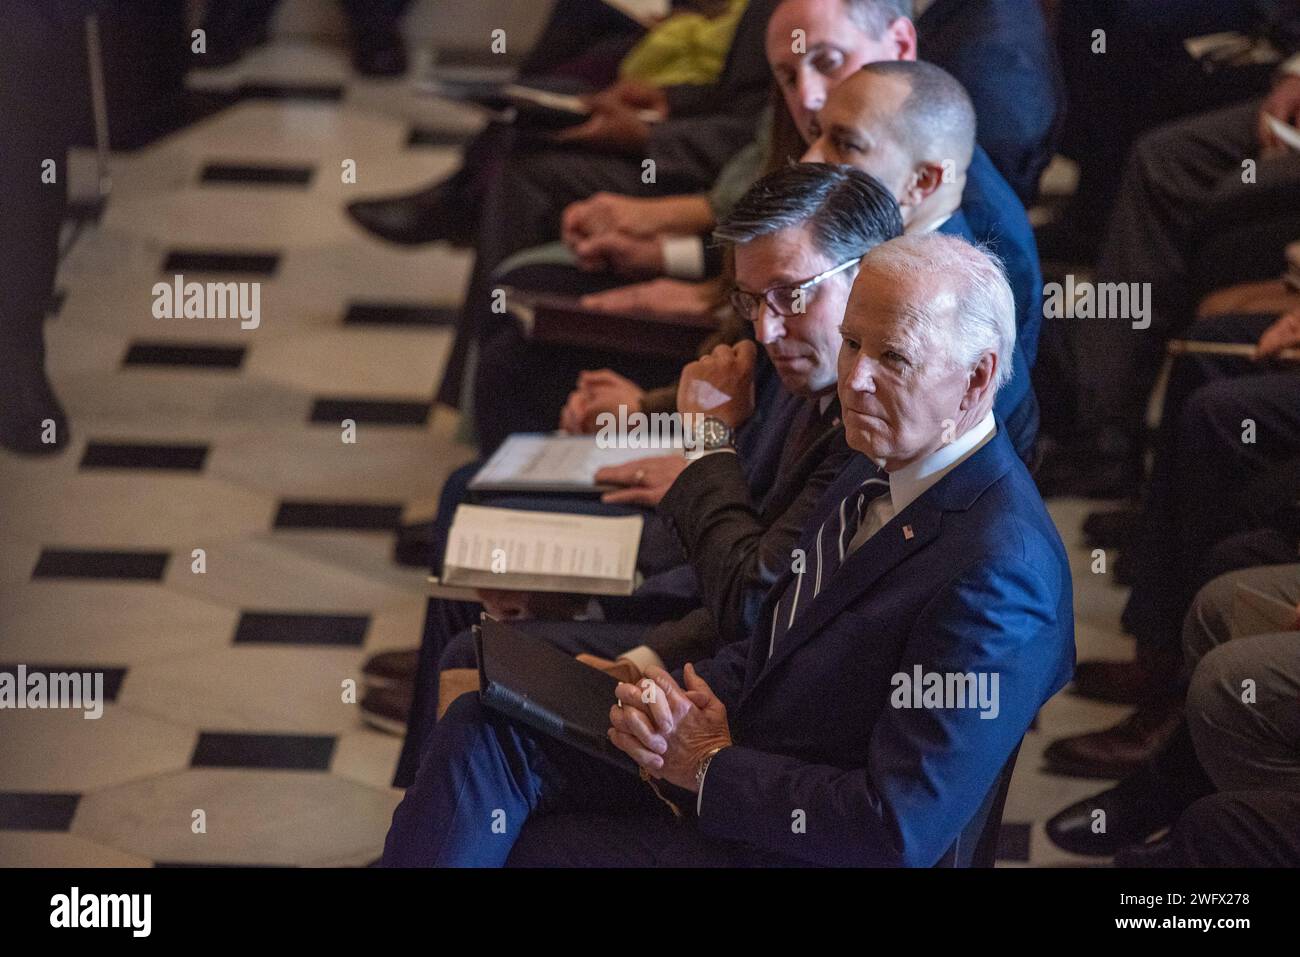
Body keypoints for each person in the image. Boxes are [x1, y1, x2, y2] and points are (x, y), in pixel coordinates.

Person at [380, 233, 1074, 867]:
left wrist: (709, 764)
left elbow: (898, 826)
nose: (855, 378)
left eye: (892, 356)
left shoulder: (1002, 573)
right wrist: (661, 690)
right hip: (738, 763)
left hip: (801, 841)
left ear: (979, 378)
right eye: (853, 343)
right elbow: (782, 631)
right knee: (485, 724)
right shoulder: (881, 460)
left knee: (523, 843)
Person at [381, 164, 905, 784]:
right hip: (705, 572)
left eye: (791, 296)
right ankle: (422, 803)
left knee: (477, 658)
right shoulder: (801, 339)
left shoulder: (865, 416)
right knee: (470, 591)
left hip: (730, 681)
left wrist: (703, 446)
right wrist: (651, 415)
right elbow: (716, 396)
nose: (765, 329)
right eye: (749, 300)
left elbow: (751, 599)